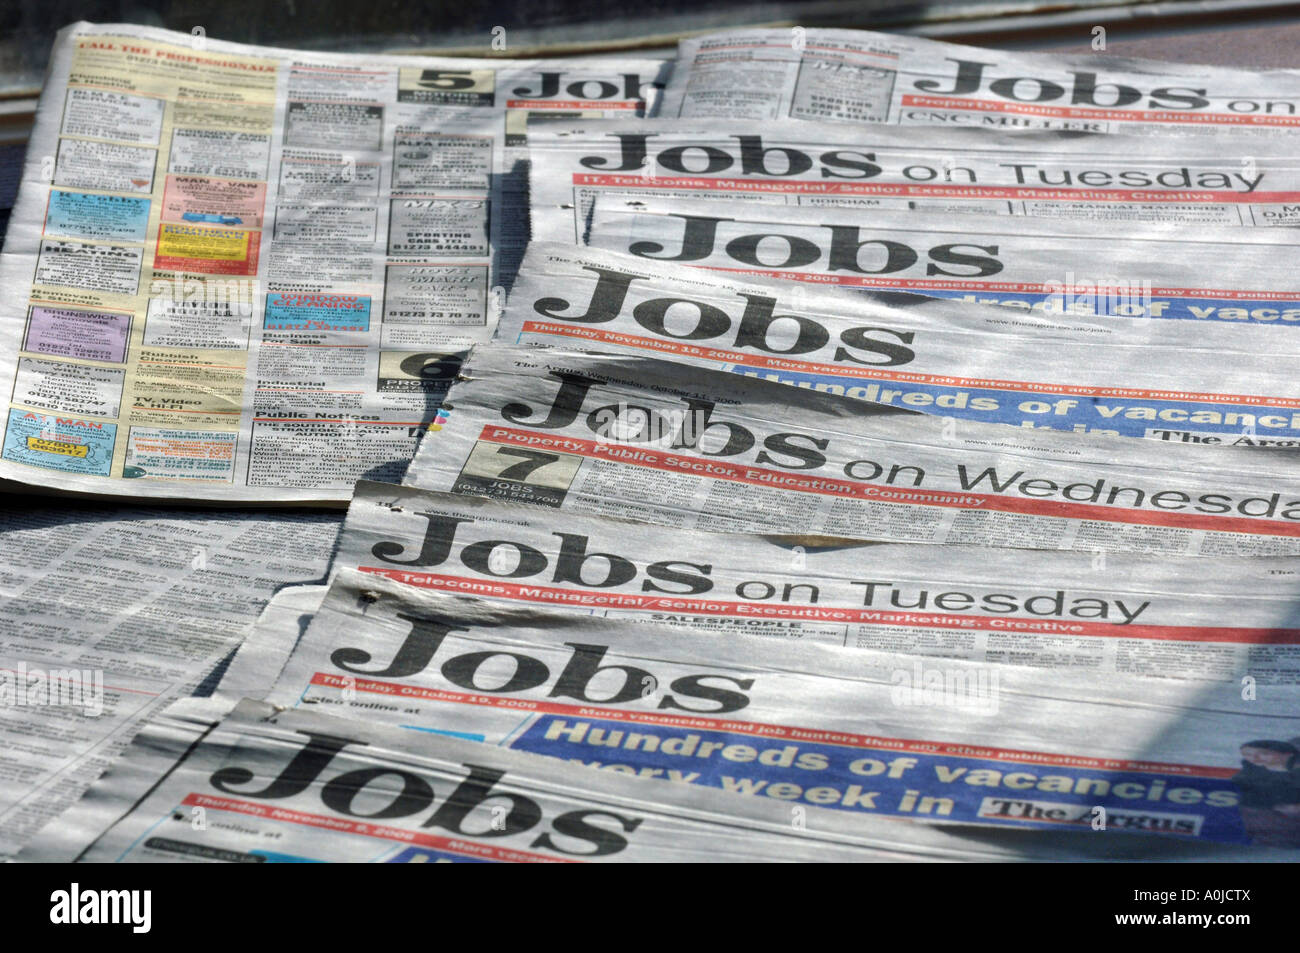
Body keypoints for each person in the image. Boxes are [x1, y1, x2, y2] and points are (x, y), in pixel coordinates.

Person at [1232, 740, 1300, 847]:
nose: (1254, 758)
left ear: (1288, 755)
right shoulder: (1249, 774)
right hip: (1267, 829)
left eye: (1264, 753)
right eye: (1247, 754)